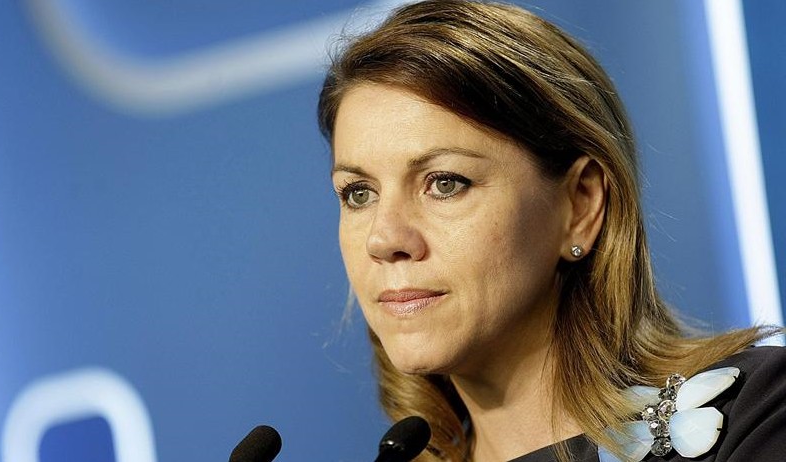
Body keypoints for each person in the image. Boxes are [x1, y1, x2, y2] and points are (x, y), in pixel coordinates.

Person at [317, 1, 785, 461]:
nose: (384, 239)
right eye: (359, 193)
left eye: (445, 183)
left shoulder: (756, 416)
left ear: (580, 204)